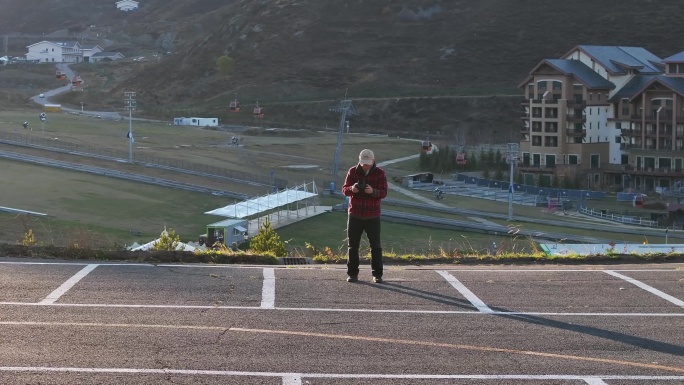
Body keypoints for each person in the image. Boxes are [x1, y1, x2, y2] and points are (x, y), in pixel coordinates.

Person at [342, 149, 388, 283]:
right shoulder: (352, 171)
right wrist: (352, 189)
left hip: (372, 215)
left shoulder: (380, 173)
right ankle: (352, 274)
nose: (365, 165)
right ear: (359, 160)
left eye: (367, 163)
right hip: (355, 214)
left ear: (373, 161)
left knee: (376, 246)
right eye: (363, 163)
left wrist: (372, 191)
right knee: (352, 246)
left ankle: (377, 275)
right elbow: (344, 189)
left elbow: (384, 193)